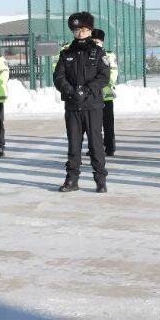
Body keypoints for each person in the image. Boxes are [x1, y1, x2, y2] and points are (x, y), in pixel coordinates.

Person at [53, 12, 111, 193]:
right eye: (76, 30)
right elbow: (58, 77)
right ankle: (72, 180)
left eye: (84, 30)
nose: (80, 33)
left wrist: (85, 90)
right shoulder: (66, 53)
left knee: (96, 144)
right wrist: (71, 91)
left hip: (92, 106)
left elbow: (104, 77)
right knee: (74, 144)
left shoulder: (98, 53)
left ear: (90, 31)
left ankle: (100, 180)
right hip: (73, 106)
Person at [92, 28, 119, 156]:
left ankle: (110, 147)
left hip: (106, 94)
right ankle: (95, 147)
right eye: (93, 41)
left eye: (97, 41)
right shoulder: (87, 55)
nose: (95, 44)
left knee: (108, 122)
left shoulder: (108, 55)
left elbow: (113, 72)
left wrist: (105, 83)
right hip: (92, 94)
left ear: (102, 42)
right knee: (94, 124)